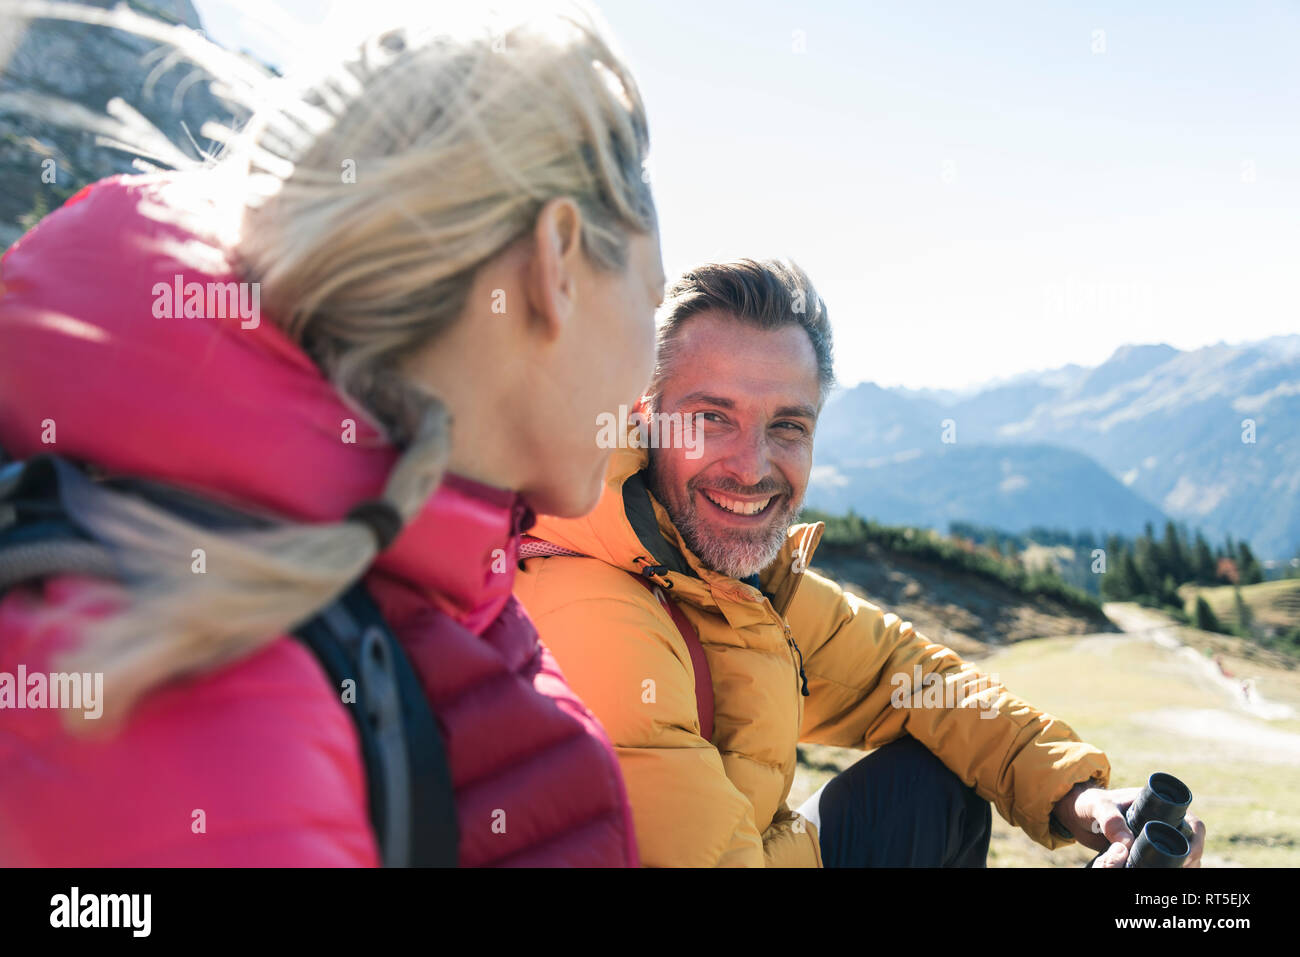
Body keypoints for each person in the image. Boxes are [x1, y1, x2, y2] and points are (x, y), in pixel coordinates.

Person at [0, 5, 664, 866]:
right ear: (558, 263)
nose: (649, 395)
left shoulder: (423, 572)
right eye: (651, 297)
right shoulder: (222, 736)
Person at [515, 257, 1207, 867]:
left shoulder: (728, 577)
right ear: (646, 415)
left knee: (936, 788)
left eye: (787, 425)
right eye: (712, 418)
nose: (753, 468)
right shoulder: (602, 626)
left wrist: (1076, 794)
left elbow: (910, 677)